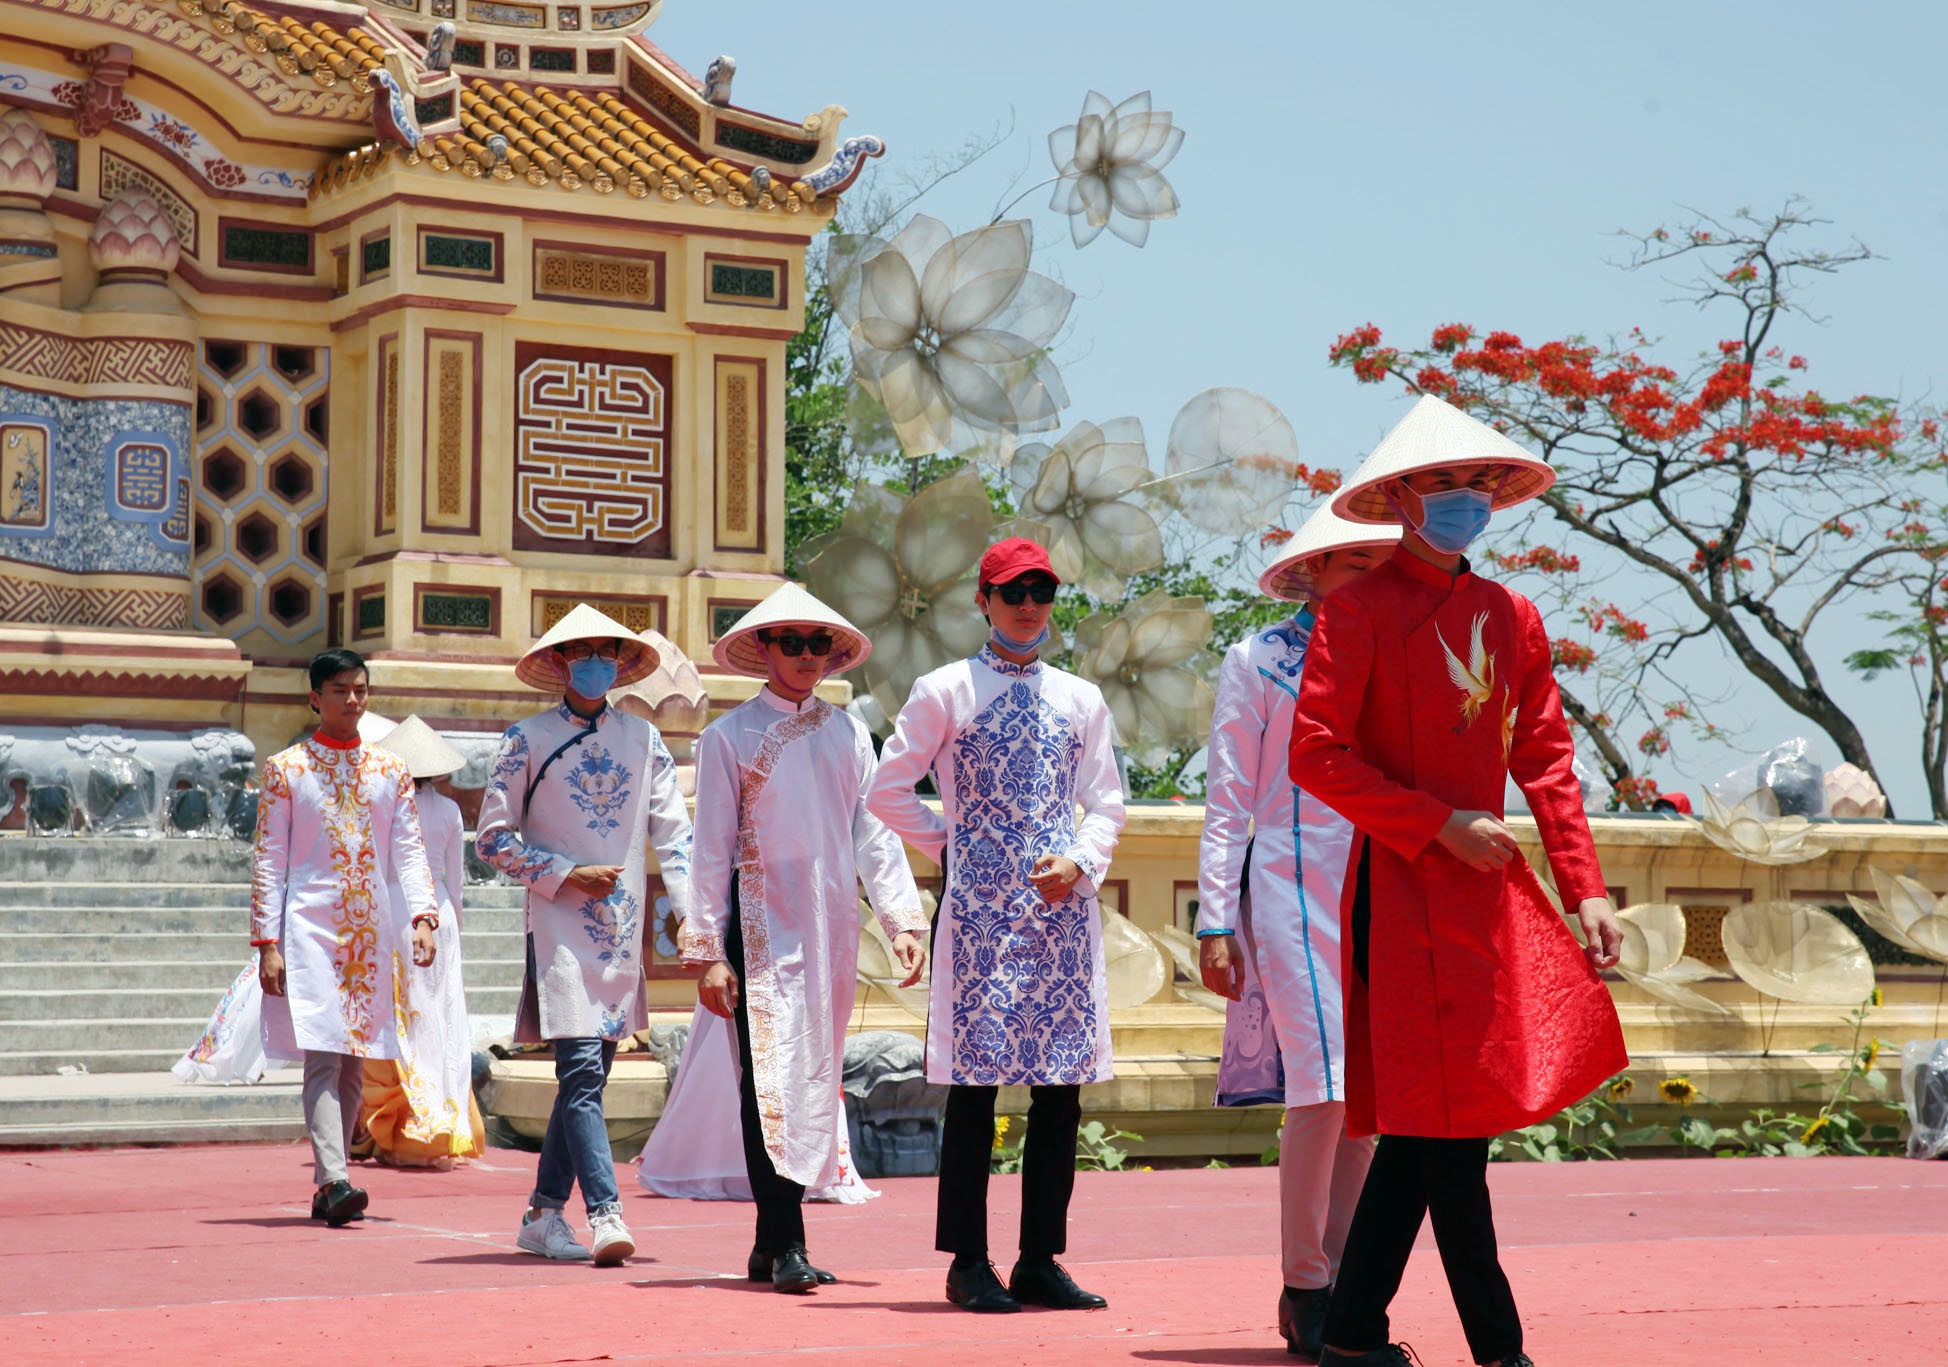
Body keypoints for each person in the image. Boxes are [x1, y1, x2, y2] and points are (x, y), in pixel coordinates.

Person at [1287, 395, 1629, 1367]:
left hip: (1481, 900)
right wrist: (1436, 821)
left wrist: (1586, 885)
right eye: (1445, 483)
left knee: (1433, 1124)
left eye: (1479, 485)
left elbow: (1548, 757)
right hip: (1397, 894)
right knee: (1452, 1127)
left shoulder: (1510, 614)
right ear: (1398, 496)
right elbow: (1314, 755)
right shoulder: (1353, 609)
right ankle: (1499, 1348)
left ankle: (1352, 1331)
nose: (1465, 499)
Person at [866, 537, 1127, 1315]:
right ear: (983, 599)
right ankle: (968, 1262)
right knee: (974, 1089)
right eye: (1013, 590)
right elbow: (887, 788)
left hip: (1059, 916)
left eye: (1041, 589)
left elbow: (1108, 801)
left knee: (1059, 1092)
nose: (1028, 604)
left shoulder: (1081, 698)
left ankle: (1040, 1258)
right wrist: (951, 842)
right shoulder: (945, 688)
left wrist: (1080, 860)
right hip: (978, 917)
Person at [678, 582, 929, 1293]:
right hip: (759, 928)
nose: (807, 656)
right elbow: (709, 848)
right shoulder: (727, 738)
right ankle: (788, 1240)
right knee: (769, 1085)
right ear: (762, 649)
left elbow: (873, 834)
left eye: (819, 643)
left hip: (831, 929)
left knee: (810, 1074)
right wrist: (708, 951)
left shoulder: (850, 732)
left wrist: (902, 920)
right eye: (792, 642)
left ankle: (768, 1242)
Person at [1196, 504, 1400, 1361]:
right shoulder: (1260, 660)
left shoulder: (1394, 658)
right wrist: (1214, 917)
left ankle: (1346, 1280)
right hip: (1285, 882)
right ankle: (1305, 1281)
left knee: (1368, 1105)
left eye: (1373, 561)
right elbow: (1229, 793)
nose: (1366, 574)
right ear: (1312, 569)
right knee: (1319, 1086)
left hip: (1380, 882)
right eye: (1350, 560)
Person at [477, 604, 693, 1268]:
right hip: (560, 921)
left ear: (621, 663)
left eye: (607, 649)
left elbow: (674, 831)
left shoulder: (646, 738)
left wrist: (688, 909)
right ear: (560, 661)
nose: (596, 659)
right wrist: (565, 873)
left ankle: (543, 1213)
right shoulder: (526, 738)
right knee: (578, 1069)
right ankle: (605, 1213)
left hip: (622, 926)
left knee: (590, 1078)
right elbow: (491, 839)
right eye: (583, 649)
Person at [250, 648, 439, 1228]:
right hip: (309, 926)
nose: (352, 699)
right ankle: (336, 1179)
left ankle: (330, 1182)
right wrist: (268, 941)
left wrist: (423, 917)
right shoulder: (287, 769)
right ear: (315, 697)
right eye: (339, 690)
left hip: (370, 928)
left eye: (360, 689)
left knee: (356, 1060)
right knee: (326, 1057)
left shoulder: (390, 770)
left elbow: (408, 849)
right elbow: (268, 858)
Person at [360, 715, 485, 1168]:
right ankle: (444, 1123)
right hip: (441, 913)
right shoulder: (449, 811)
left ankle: (409, 1125)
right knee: (442, 1016)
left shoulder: (384, 804)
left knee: (404, 1016)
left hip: (396, 910)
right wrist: (455, 925)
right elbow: (457, 876)